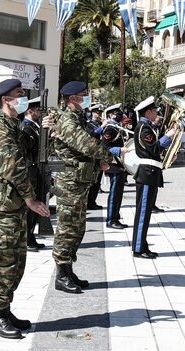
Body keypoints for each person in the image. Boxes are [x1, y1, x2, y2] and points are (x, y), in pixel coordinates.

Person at [0, 79, 51, 339]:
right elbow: (13, 166)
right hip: (4, 205)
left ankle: (5, 308)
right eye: (18, 95)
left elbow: (34, 156)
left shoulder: (16, 126)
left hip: (16, 203)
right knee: (4, 261)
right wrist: (32, 199)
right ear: (5, 100)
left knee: (17, 261)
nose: (23, 99)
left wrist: (45, 132)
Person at [51, 81, 112, 293]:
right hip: (69, 182)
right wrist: (106, 155)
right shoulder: (67, 120)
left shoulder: (78, 118)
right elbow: (85, 144)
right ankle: (61, 274)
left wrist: (99, 161)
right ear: (72, 99)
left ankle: (68, 270)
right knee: (67, 228)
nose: (87, 98)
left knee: (77, 228)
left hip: (79, 180)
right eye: (83, 95)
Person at [132, 96, 176, 258]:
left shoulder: (147, 127)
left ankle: (142, 244)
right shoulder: (144, 128)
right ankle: (138, 248)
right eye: (155, 111)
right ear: (148, 112)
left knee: (147, 211)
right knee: (143, 212)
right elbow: (153, 148)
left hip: (151, 173)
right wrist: (168, 136)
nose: (157, 114)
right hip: (146, 173)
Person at [20, 97, 46, 251]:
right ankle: (27, 239)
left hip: (36, 171)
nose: (40, 113)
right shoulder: (26, 128)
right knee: (30, 208)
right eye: (38, 110)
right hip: (30, 171)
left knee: (36, 206)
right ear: (30, 110)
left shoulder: (34, 127)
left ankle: (31, 236)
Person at [102, 103, 131, 229]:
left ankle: (115, 217)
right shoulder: (109, 129)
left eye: (119, 113)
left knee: (118, 193)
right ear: (110, 115)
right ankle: (111, 219)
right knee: (114, 193)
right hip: (113, 164)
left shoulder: (117, 128)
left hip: (120, 165)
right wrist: (119, 150)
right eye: (116, 113)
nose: (119, 115)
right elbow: (104, 147)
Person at [86, 104, 105, 210]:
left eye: (100, 113)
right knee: (92, 181)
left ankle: (92, 201)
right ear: (92, 113)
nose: (99, 115)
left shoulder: (99, 124)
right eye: (98, 113)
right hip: (91, 157)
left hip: (98, 155)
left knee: (97, 181)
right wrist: (102, 127)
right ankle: (89, 202)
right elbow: (92, 135)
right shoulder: (89, 124)